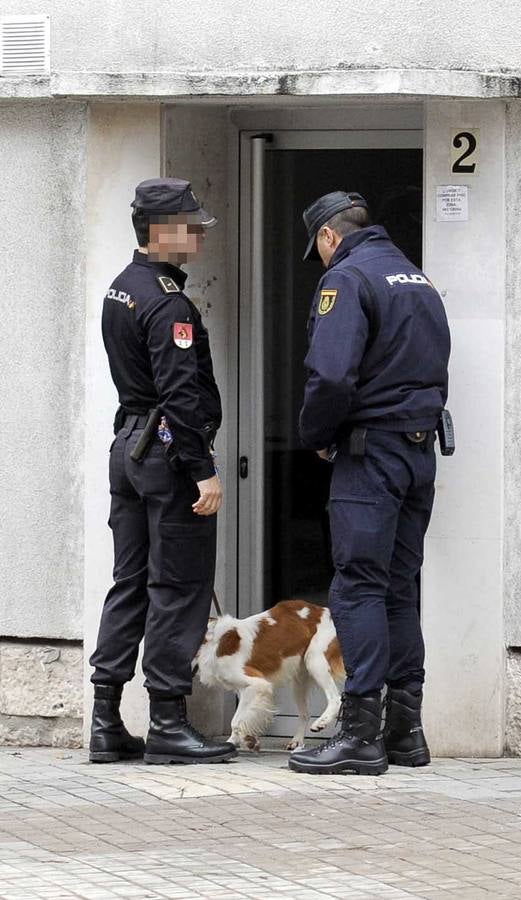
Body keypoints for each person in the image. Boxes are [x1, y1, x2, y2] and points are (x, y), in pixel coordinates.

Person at [289, 191, 451, 776]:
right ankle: (406, 735)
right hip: (419, 448)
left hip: (371, 452)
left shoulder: (349, 279)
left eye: (319, 250)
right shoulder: (418, 279)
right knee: (400, 587)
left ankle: (359, 735)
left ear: (329, 237)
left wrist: (315, 434)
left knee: (357, 586)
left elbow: (330, 374)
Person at [88, 177, 236, 766]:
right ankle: (169, 724)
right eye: (189, 223)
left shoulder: (122, 288)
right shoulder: (167, 302)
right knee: (177, 588)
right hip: (168, 452)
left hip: (129, 447)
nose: (198, 232)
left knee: (130, 582)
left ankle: (106, 722)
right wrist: (202, 470)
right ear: (160, 230)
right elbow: (179, 394)